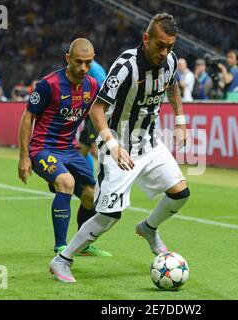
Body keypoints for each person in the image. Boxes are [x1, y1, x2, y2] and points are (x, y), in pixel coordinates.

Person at [49, 13, 190, 283]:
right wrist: (112, 145)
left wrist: (181, 121)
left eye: (170, 46)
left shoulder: (170, 61)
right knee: (110, 216)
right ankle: (62, 260)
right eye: (160, 45)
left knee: (181, 192)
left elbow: (172, 87)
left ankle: (149, 228)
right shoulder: (126, 66)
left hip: (149, 143)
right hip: (118, 145)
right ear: (146, 39)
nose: (165, 52)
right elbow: (96, 109)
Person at [18, 38, 111, 258]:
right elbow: (28, 115)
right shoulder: (48, 85)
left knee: (91, 195)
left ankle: (83, 244)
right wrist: (23, 156)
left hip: (70, 150)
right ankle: (61, 246)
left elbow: (98, 114)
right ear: (68, 58)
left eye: (88, 63)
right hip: (43, 148)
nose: (83, 68)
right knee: (66, 182)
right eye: (78, 62)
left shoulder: (93, 86)